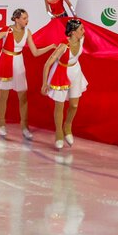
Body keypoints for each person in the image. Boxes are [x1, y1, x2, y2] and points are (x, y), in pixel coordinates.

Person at [0, 9, 55, 138]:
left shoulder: (27, 32)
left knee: (23, 97)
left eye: (27, 18)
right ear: (16, 19)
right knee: (4, 95)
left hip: (19, 63)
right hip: (5, 62)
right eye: (24, 18)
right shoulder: (6, 30)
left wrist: (50, 47)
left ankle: (25, 127)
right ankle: (1, 125)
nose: (27, 20)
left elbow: (35, 53)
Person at [41, 19, 88, 149]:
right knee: (60, 105)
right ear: (73, 32)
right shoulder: (63, 46)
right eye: (81, 30)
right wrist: (44, 83)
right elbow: (47, 64)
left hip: (75, 71)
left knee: (74, 104)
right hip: (61, 72)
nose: (84, 31)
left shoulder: (81, 39)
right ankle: (59, 133)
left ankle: (67, 126)